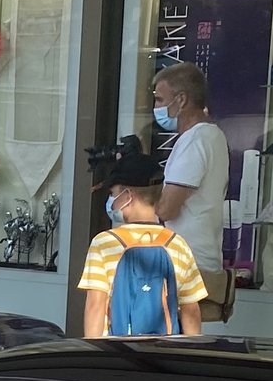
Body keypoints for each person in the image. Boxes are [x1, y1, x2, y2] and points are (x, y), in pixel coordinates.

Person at [78, 136, 205, 337]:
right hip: (164, 356)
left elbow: (96, 306)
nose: (111, 200)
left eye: (113, 193)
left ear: (128, 196)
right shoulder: (178, 244)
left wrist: (94, 359)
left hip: (118, 356)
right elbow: (191, 311)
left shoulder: (104, 244)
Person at [152, 62, 231, 319]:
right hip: (197, 260)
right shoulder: (212, 136)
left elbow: (167, 209)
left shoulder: (195, 140)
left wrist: (141, 204)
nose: (156, 108)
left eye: (160, 99)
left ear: (182, 100)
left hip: (185, 263)